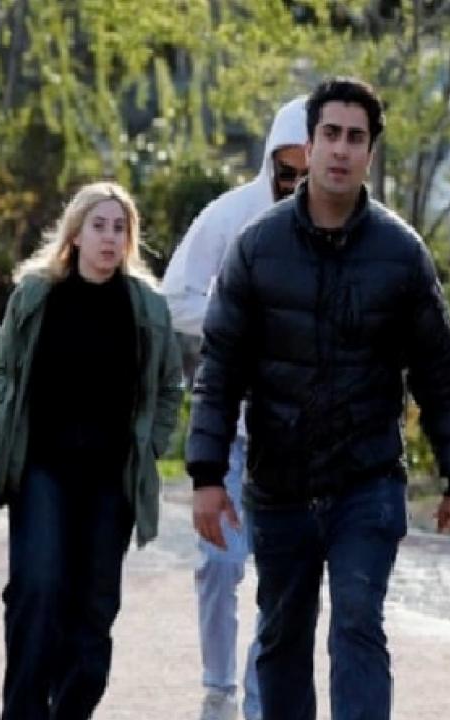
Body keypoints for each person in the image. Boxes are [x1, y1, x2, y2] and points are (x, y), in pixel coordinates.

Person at [187, 77, 450, 720]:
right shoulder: (257, 247)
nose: (341, 149)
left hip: (366, 481)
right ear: (310, 143)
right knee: (282, 635)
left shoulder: (401, 253)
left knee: (357, 622)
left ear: (370, 152)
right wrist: (207, 474)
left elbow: (437, 375)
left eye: (355, 137)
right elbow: (220, 370)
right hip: (280, 481)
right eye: (330, 135)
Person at [0, 181, 183, 720]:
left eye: (120, 228)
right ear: (75, 233)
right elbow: (1, 363)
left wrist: (152, 444)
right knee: (39, 589)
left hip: (110, 481)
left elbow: (170, 386)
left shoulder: (146, 306)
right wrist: (3, 418)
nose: (109, 238)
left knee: (94, 614)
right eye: (99, 226)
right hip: (42, 470)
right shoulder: (36, 295)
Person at [162, 95, 308, 720]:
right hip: (229, 428)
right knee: (220, 564)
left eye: (307, 172)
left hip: (299, 437)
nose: (295, 184)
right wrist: (237, 322)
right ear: (270, 161)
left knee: (283, 577)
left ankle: (257, 701)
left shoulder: (346, 227)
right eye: (286, 170)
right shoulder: (229, 217)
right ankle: (218, 685)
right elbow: (174, 298)